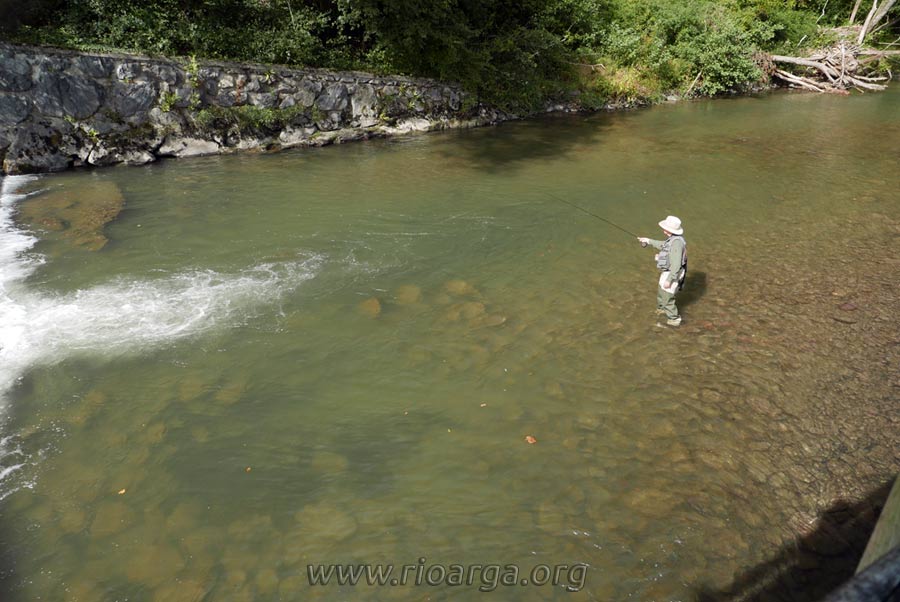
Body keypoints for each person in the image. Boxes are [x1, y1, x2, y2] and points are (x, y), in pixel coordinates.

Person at [637, 216, 687, 327]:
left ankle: (674, 319)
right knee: (661, 291)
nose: (663, 230)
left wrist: (670, 279)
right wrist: (648, 241)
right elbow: (664, 245)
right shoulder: (673, 239)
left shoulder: (677, 244)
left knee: (667, 296)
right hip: (668, 271)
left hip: (672, 273)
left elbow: (676, 264)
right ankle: (662, 309)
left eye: (665, 228)